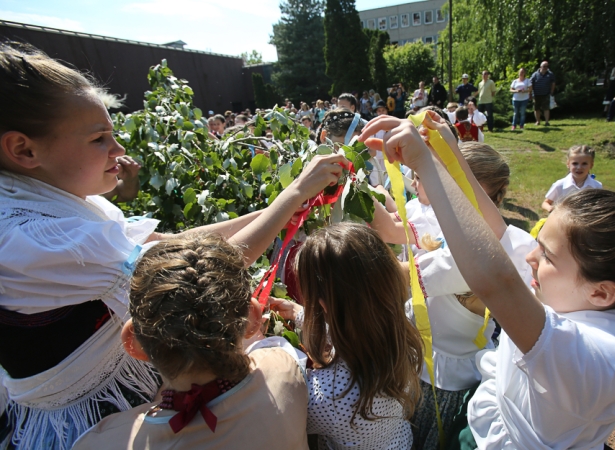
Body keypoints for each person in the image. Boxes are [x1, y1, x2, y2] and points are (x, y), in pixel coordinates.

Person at [0, 42, 346, 449]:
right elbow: (197, 277)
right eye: (99, 139)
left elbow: (169, 245)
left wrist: (273, 212)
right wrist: (295, 192)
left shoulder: (53, 203)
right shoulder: (38, 239)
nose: (119, 151)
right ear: (24, 150)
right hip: (91, 421)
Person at [359, 115, 615, 450]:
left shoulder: (586, 357)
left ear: (601, 292)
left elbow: (496, 282)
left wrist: (427, 164)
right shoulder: (573, 297)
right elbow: (496, 232)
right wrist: (448, 153)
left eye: (545, 255)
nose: (531, 257)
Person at [370, 136, 537, 450]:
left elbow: (399, 277)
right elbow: (390, 229)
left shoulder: (476, 254)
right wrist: (357, 189)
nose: (425, 184)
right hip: (421, 358)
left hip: (443, 380)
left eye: (438, 177)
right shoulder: (447, 225)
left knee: (425, 439)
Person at [72, 234, 310, 449]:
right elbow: (266, 353)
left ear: (134, 341)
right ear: (253, 318)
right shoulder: (284, 370)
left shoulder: (104, 441)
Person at [270, 222, 424, 449]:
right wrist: (298, 313)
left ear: (323, 305)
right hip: (399, 442)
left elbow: (282, 418)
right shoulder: (404, 340)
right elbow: (356, 328)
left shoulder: (326, 398)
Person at [542, 145, 602, 213]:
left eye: (584, 164)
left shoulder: (596, 186)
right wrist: (550, 208)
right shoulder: (560, 185)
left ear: (591, 165)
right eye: (575, 163)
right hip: (563, 221)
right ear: (568, 164)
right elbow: (546, 203)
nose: (579, 167)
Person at [530, 61, 556, 126]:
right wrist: (531, 93)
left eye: (547, 66)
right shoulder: (535, 74)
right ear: (540, 66)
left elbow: (553, 83)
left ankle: (547, 122)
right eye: (544, 66)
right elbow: (530, 84)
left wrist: (552, 91)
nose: (545, 68)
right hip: (536, 94)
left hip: (546, 94)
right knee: (536, 108)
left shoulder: (550, 74)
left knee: (546, 108)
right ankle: (538, 121)